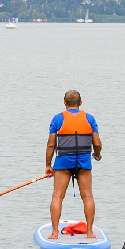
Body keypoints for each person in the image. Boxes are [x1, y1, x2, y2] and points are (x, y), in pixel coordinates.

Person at [44, 89, 104, 239]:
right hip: (83, 162)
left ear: (65, 103)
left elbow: (51, 145)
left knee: (57, 197)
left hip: (63, 162)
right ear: (80, 103)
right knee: (88, 196)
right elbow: (96, 142)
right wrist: (97, 154)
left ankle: (55, 233)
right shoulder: (89, 118)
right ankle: (89, 233)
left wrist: (48, 165)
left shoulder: (57, 119)